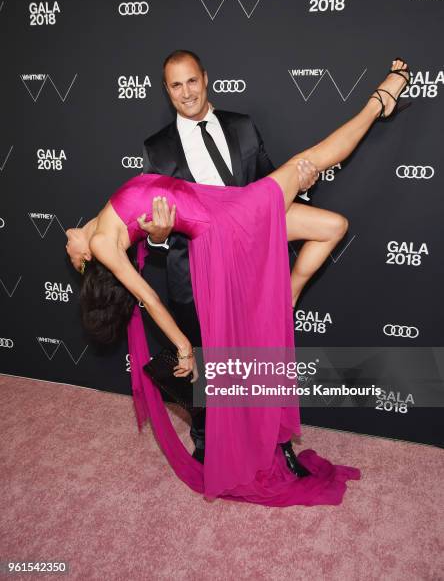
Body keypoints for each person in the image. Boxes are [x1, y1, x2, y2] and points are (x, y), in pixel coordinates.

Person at [65, 58, 411, 506]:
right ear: (89, 263)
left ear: (204, 80)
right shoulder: (106, 248)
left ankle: (287, 292)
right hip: (222, 226)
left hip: (229, 208)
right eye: (75, 253)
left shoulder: (98, 222)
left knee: (331, 224)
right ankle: (378, 102)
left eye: (192, 81)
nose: (71, 245)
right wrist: (184, 347)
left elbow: (95, 226)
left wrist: (81, 236)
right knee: (314, 158)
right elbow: (146, 295)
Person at [140, 49, 319, 470]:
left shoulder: (242, 126)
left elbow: (269, 188)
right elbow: (159, 221)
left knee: (260, 356)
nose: (186, 92)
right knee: (201, 363)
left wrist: (304, 185)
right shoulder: (156, 148)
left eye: (192, 81)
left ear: (205, 78)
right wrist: (161, 239)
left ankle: (277, 442)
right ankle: (205, 440)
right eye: (176, 85)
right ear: (167, 92)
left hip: (250, 267)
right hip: (195, 271)